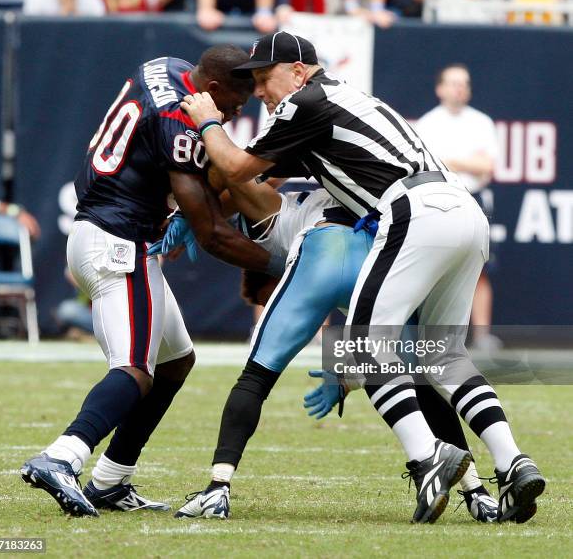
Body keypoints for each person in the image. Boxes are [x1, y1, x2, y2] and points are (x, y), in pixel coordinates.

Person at [176, 31, 545, 524]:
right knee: (444, 356)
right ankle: (512, 461)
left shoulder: (303, 103)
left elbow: (240, 168)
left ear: (299, 71)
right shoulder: (339, 100)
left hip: (412, 212)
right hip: (464, 209)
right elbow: (260, 174)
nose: (260, 90)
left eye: (265, 77)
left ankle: (427, 457)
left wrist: (205, 125)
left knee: (367, 346)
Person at [20, 45, 286, 517]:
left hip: (104, 231)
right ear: (213, 89)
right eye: (234, 104)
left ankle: (110, 480)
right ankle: (63, 456)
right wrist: (284, 268)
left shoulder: (165, 67)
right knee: (134, 369)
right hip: (119, 244)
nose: (235, 113)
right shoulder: (180, 124)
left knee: (176, 361)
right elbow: (211, 235)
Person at [169, 176, 499, 522]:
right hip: (374, 256)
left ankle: (218, 488)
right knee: (419, 377)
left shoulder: (268, 209)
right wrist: (344, 374)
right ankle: (477, 493)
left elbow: (230, 196)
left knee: (255, 377)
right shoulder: (354, 183)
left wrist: (187, 215)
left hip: (320, 252)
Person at [416, 64, 501, 351]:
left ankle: (482, 336)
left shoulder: (482, 122)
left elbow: (487, 166)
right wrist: (466, 161)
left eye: (464, 83)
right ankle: (432, 338)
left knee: (480, 270)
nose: (459, 88)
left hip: (474, 199)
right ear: (440, 88)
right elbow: (428, 168)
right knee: (431, 268)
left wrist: (450, 160)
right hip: (438, 201)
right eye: (453, 83)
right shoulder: (427, 124)